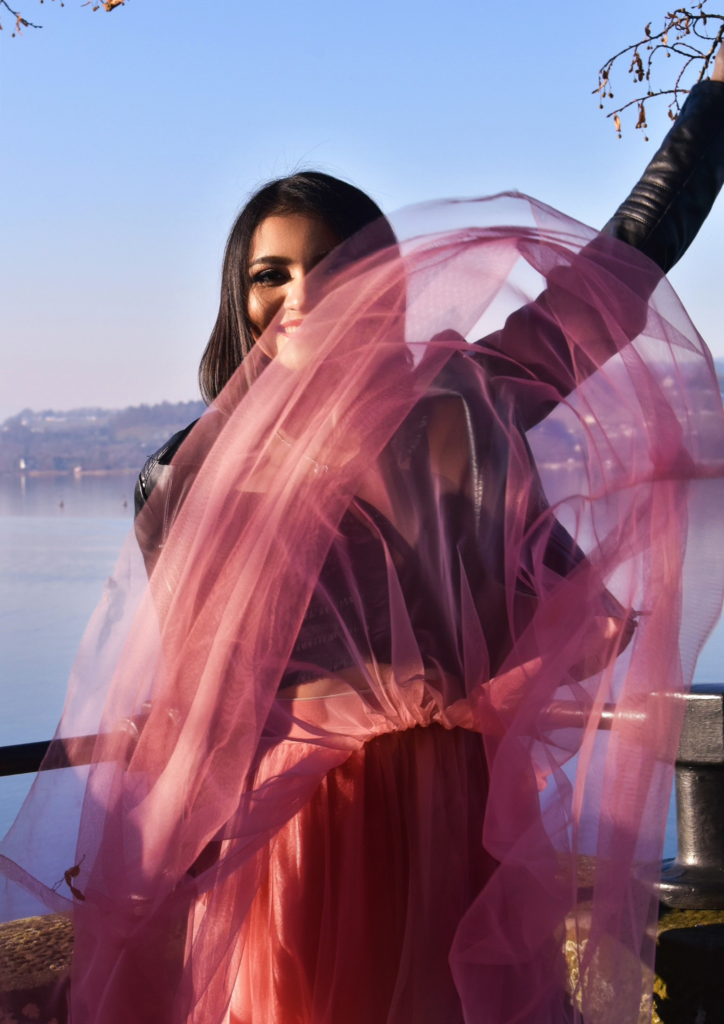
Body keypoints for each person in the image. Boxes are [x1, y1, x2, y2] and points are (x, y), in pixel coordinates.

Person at [3, 60, 724, 1024]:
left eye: (336, 265)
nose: (302, 294)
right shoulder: (183, 477)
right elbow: (198, 695)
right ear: (239, 299)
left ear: (385, 280)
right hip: (286, 838)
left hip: (445, 815)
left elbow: (617, 275)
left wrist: (713, 102)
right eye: (271, 274)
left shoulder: (459, 409)